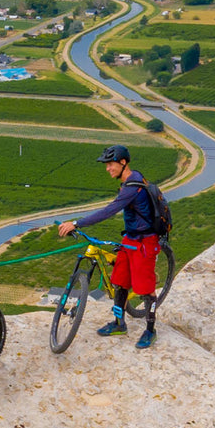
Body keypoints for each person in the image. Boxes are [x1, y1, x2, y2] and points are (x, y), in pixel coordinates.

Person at [58, 145, 160, 349]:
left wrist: (76, 223)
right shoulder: (130, 180)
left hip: (144, 243)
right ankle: (119, 323)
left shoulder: (133, 187)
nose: (107, 169)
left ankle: (150, 329)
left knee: (145, 289)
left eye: (110, 164)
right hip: (130, 239)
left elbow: (108, 211)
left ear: (123, 163)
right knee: (120, 281)